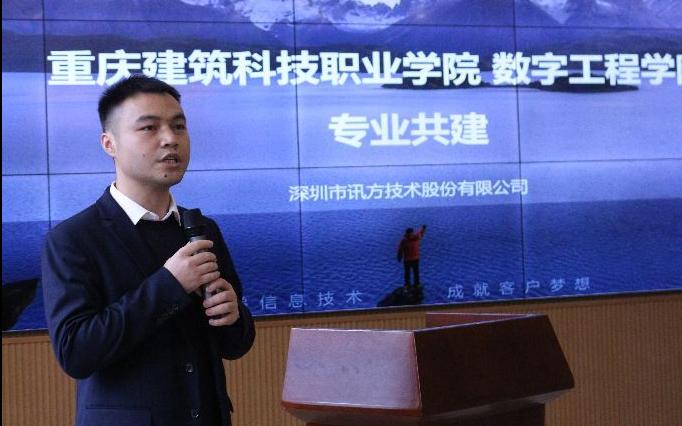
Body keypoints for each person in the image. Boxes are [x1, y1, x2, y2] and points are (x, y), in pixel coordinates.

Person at [41, 75, 255, 426]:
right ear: (109, 144)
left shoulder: (202, 229)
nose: (170, 139)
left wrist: (233, 316)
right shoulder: (73, 239)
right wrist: (170, 284)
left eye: (179, 126)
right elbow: (75, 352)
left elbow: (235, 346)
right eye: (149, 128)